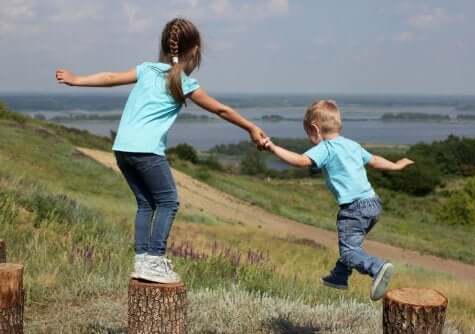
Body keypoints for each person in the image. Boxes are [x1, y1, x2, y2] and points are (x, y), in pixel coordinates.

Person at [56, 17, 267, 284]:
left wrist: (77, 80)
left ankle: (143, 260)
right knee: (168, 202)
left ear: (165, 46)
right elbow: (221, 109)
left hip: (122, 149)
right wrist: (250, 127)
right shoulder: (185, 83)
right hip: (147, 152)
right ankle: (154, 260)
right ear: (195, 50)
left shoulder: (146, 69)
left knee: (146, 204)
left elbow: (110, 77)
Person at [263, 100, 414, 300]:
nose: (309, 138)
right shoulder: (352, 145)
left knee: (349, 251)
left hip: (353, 209)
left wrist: (272, 147)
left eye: (308, 133)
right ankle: (339, 276)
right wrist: (396, 165)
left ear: (314, 128)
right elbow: (376, 161)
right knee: (352, 246)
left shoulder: (326, 148)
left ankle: (377, 268)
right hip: (373, 204)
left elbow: (299, 161)